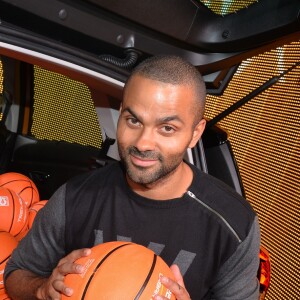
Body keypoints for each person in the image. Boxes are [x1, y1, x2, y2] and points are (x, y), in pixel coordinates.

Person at [4, 55, 260, 300]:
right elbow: (16, 275)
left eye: (167, 128)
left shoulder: (233, 224)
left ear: (195, 133)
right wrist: (43, 289)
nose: (143, 142)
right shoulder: (74, 197)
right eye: (133, 121)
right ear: (121, 112)